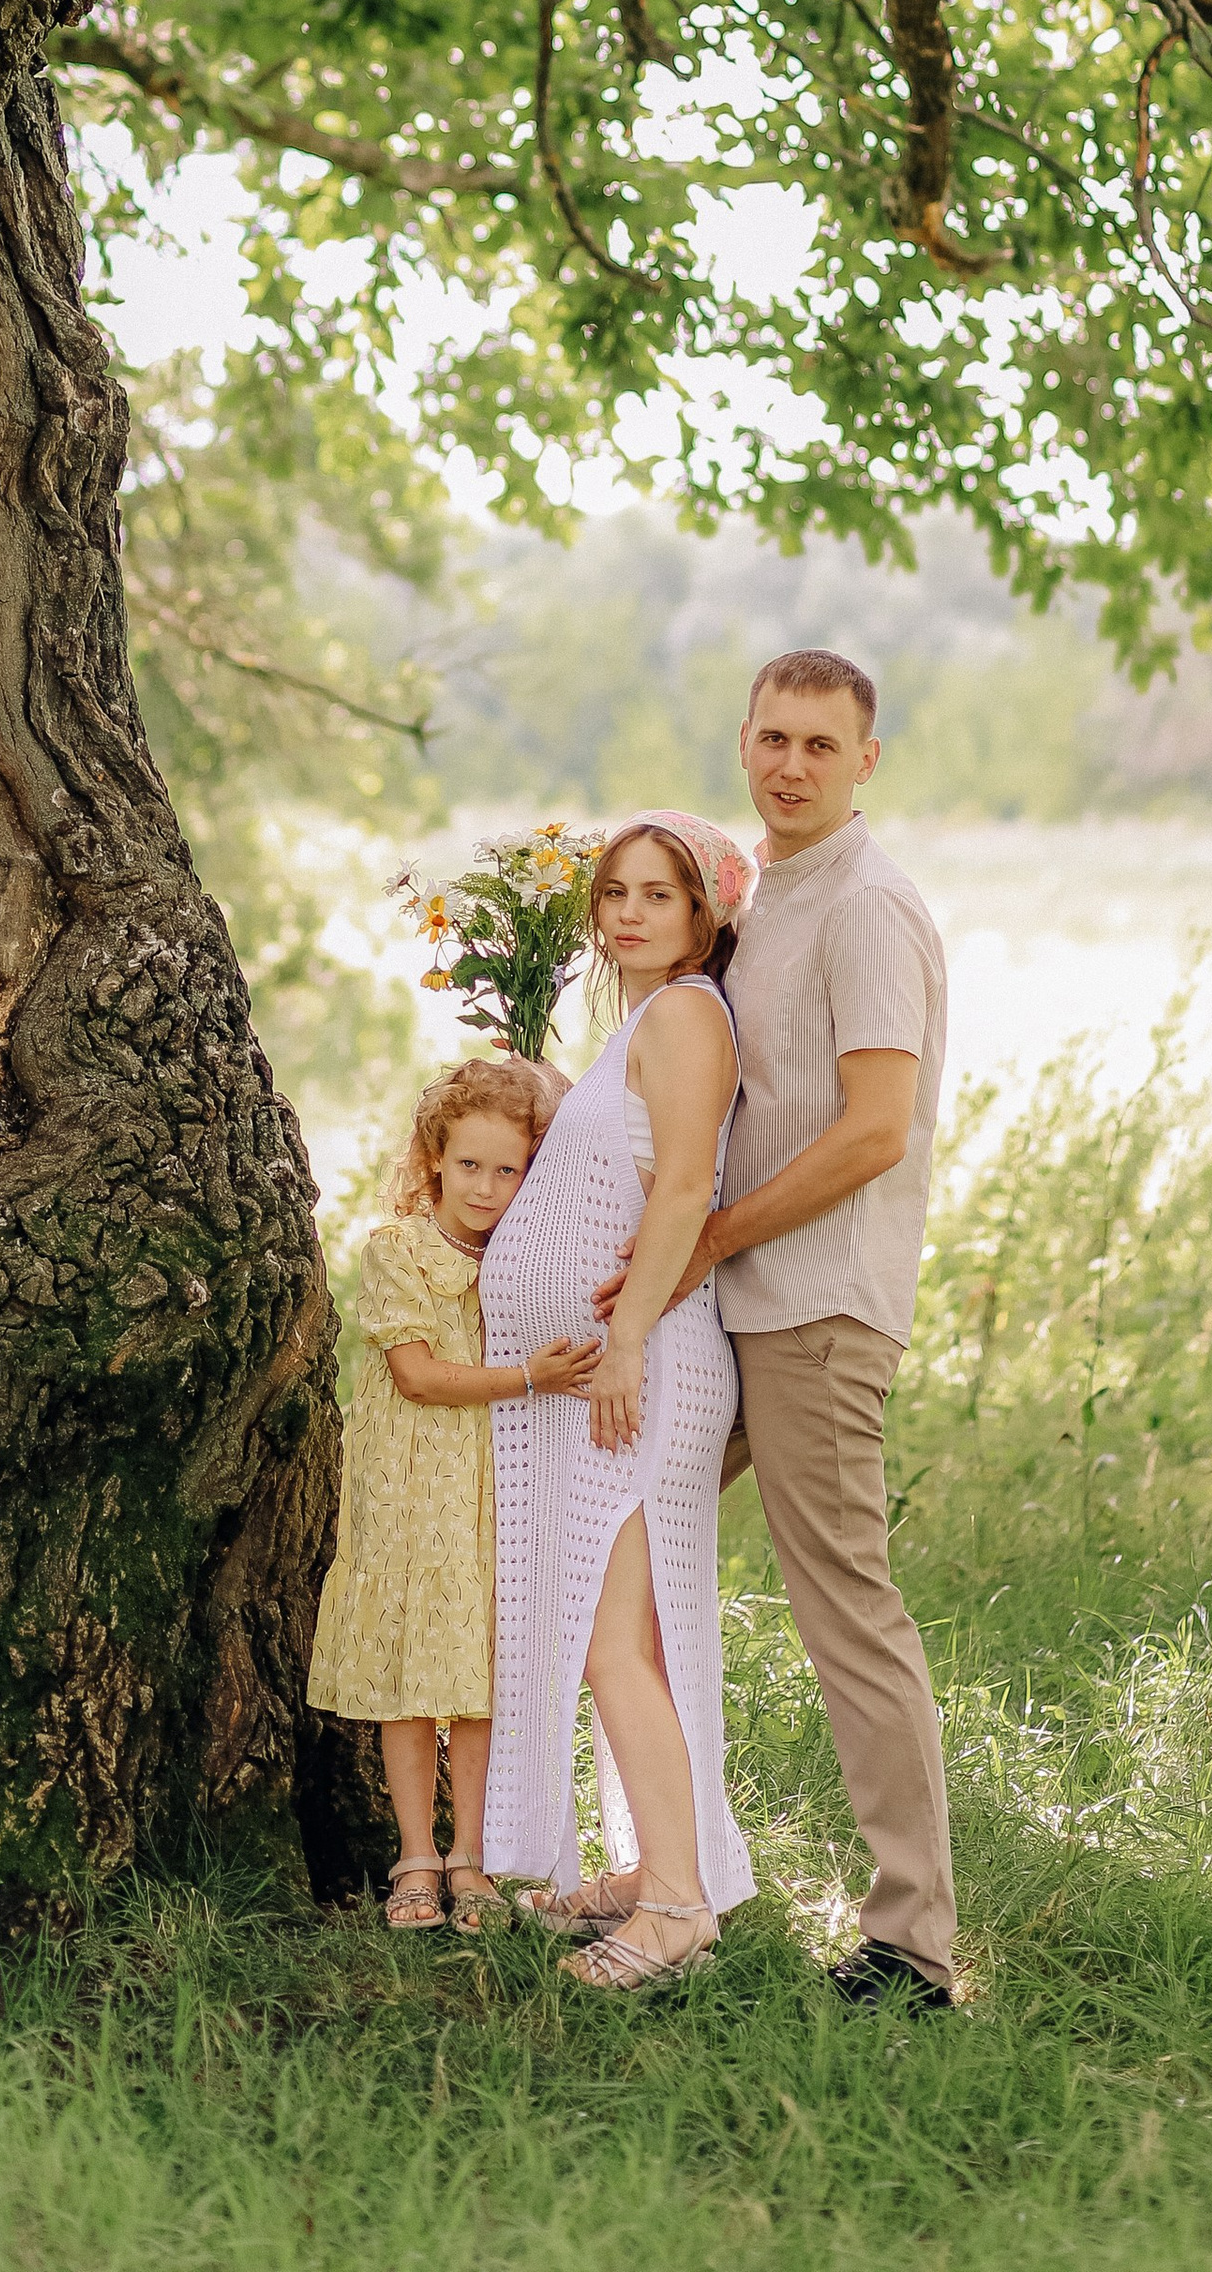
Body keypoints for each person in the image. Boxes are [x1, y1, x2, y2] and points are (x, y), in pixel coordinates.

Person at [602, 648, 954, 2011]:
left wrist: (712, 1239)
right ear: (743, 745)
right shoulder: (762, 902)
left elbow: (876, 1131)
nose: (792, 764)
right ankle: (655, 1870)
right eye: (772, 739)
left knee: (846, 1616)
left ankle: (912, 1947)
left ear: (867, 760)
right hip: (729, 1305)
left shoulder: (868, 907)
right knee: (616, 1549)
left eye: (821, 743)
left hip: (813, 1311)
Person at [481, 812, 757, 1991]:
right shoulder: (642, 1022)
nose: (632, 912)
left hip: (640, 1366)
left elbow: (689, 1185)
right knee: (633, 1638)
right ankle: (657, 1870)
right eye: (616, 893)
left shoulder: (689, 1014)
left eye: (661, 893)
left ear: (705, 914)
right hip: (617, 1360)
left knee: (612, 1645)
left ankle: (679, 1908)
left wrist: (629, 1338)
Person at [306, 1056, 600, 1933]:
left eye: (507, 1170)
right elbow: (420, 1377)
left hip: (492, 1494)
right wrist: (529, 1378)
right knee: (409, 1680)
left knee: (476, 1678)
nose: (485, 1186)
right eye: (468, 1165)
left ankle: (469, 1855)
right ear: (433, 1159)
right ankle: (416, 1857)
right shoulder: (397, 1249)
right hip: (408, 1493)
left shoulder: (520, 1257)